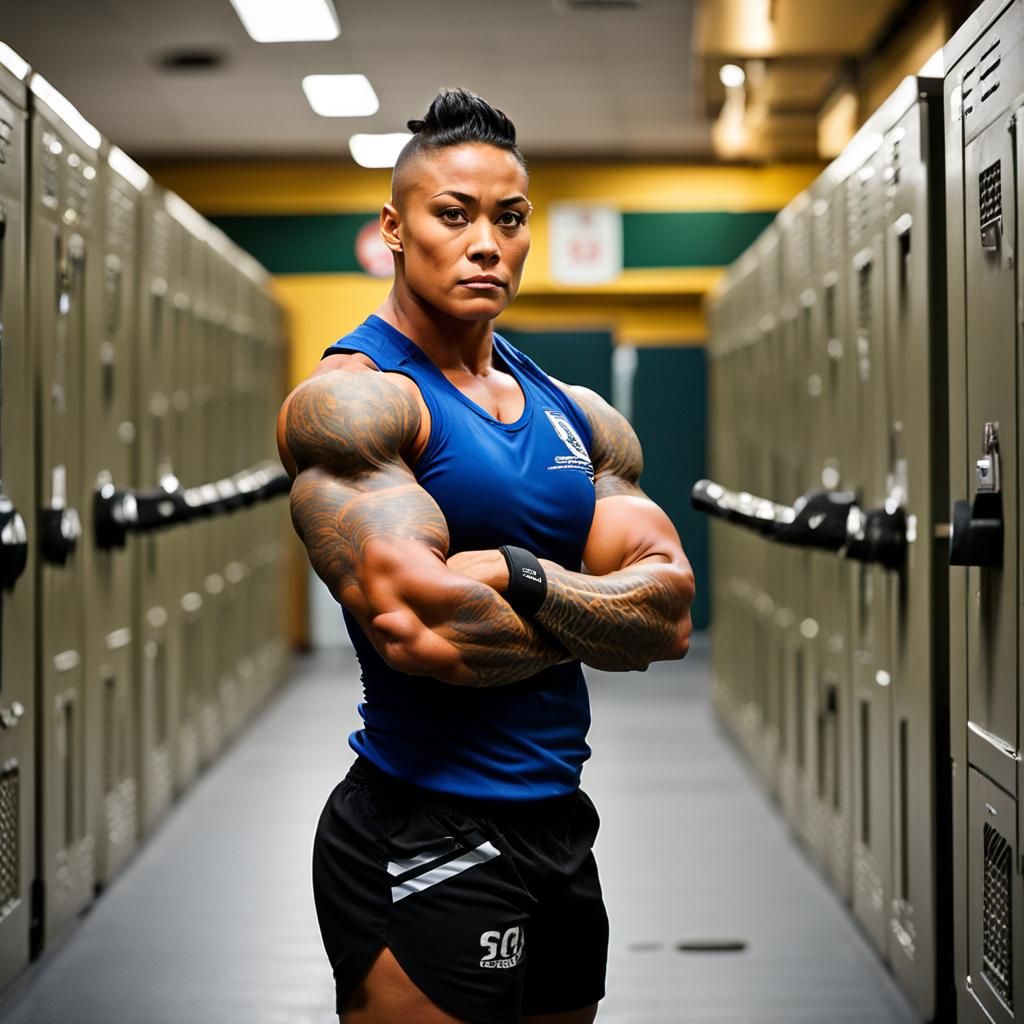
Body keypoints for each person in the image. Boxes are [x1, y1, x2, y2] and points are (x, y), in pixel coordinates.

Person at [277, 88, 695, 1024]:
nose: (485, 243)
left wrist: (523, 573)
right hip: (421, 823)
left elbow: (668, 615)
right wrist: (597, 618)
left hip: (558, 821)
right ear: (393, 227)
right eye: (453, 215)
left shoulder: (578, 414)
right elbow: (426, 634)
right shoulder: (356, 404)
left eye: (509, 219)